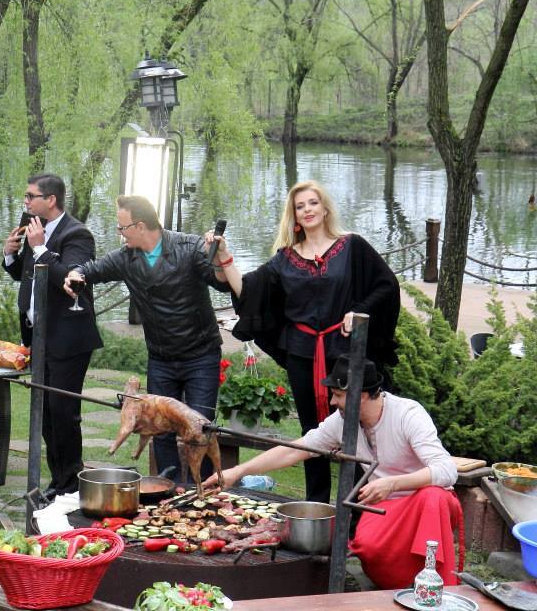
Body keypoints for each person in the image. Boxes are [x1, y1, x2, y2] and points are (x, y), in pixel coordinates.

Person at [208, 179, 400, 503]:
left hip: (344, 353)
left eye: (313, 203)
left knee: (355, 430)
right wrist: (225, 258)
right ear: (294, 216)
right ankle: (316, 508)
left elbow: (386, 285)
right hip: (302, 355)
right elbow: (249, 292)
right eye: (300, 206)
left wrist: (359, 311)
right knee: (312, 432)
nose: (307, 210)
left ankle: (356, 511)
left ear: (325, 209)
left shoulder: (352, 246)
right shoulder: (285, 258)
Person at [203, 355, 462, 589]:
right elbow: (297, 450)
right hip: (385, 506)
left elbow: (446, 469)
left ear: (361, 395)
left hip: (422, 504)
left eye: (338, 394)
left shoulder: (408, 414)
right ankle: (397, 589)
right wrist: (238, 471)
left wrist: (393, 484)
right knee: (368, 548)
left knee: (434, 496)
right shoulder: (343, 421)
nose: (332, 401)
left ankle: (438, 589)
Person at [65, 195, 230, 480]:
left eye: (122, 227)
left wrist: (217, 256)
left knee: (200, 428)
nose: (120, 233)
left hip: (201, 356)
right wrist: (75, 273)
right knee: (159, 429)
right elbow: (92, 269)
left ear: (140, 226)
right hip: (161, 358)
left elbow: (222, 283)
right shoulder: (126, 257)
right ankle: (166, 488)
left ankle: (203, 491)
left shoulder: (189, 247)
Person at [2, 174, 102, 496]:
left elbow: (71, 280)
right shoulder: (35, 229)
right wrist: (10, 255)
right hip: (39, 336)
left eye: (31, 196)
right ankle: (58, 480)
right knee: (45, 412)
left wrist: (40, 248)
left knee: (63, 411)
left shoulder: (77, 234)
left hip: (69, 336)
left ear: (51, 200)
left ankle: (71, 483)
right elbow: (25, 274)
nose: (26, 202)